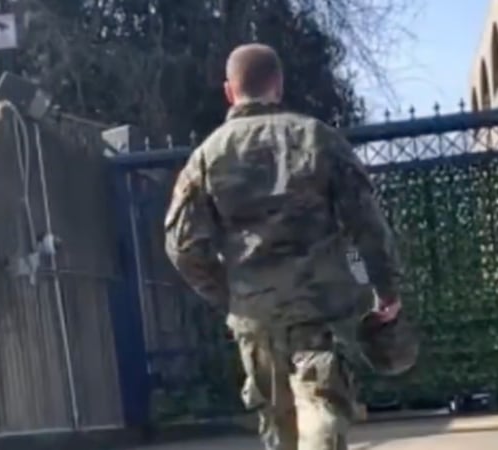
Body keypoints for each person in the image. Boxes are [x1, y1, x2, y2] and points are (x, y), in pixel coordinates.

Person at [164, 43, 403, 450]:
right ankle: (321, 427)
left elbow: (182, 246)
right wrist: (386, 289)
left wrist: (230, 296)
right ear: (278, 85)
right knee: (322, 402)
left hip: (256, 314)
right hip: (320, 307)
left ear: (229, 91)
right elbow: (366, 225)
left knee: (277, 423)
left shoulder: (207, 157)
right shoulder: (318, 139)